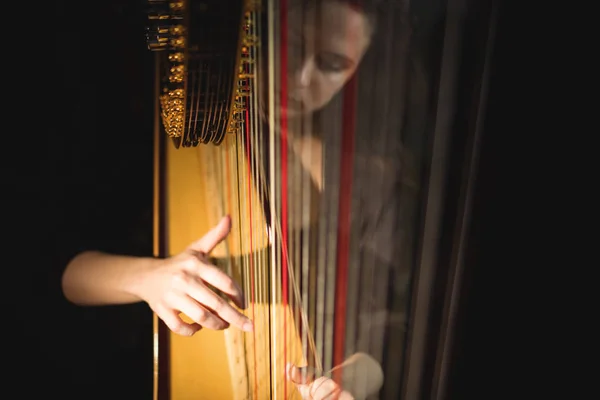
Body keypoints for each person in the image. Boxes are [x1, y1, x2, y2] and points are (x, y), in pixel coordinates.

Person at [63, 0, 415, 398]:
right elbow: (61, 273)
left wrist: (347, 381)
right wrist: (150, 277)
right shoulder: (183, 127)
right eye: (292, 45)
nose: (299, 79)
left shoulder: (372, 180)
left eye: (332, 64)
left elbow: (390, 329)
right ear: (254, 32)